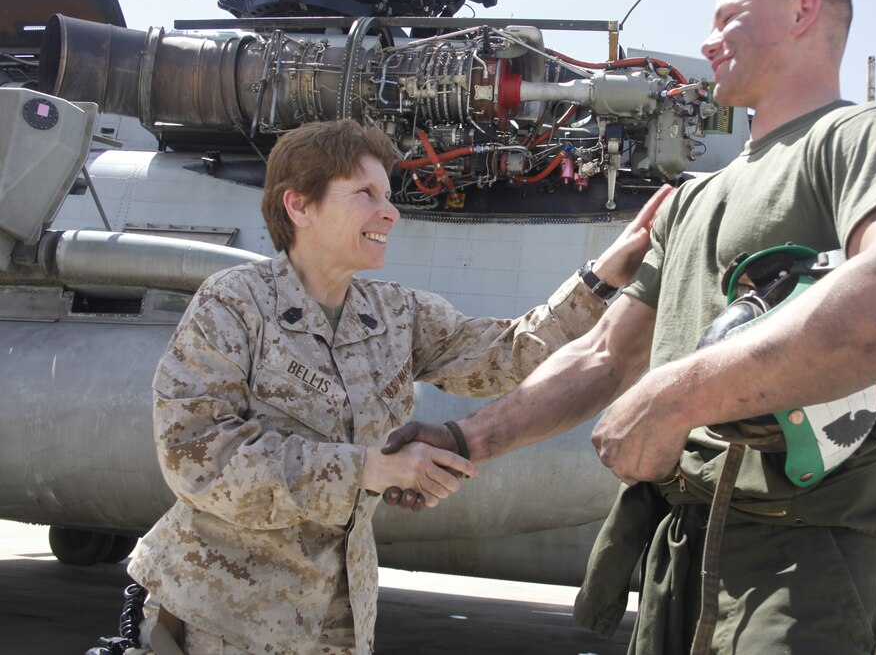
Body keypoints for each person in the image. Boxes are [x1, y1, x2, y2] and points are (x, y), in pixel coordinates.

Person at [383, 0, 876, 655]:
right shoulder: (692, 198)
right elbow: (605, 355)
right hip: (681, 549)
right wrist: (464, 440)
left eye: (729, 18)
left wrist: (678, 395)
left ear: (803, 11)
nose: (706, 42)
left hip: (803, 556)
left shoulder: (863, 136)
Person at [125, 118, 672, 655]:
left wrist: (602, 276)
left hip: (339, 620)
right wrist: (366, 468)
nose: (389, 211)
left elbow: (507, 355)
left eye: (387, 194)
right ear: (299, 206)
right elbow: (195, 455)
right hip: (220, 617)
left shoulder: (394, 314)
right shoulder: (234, 303)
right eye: (364, 193)